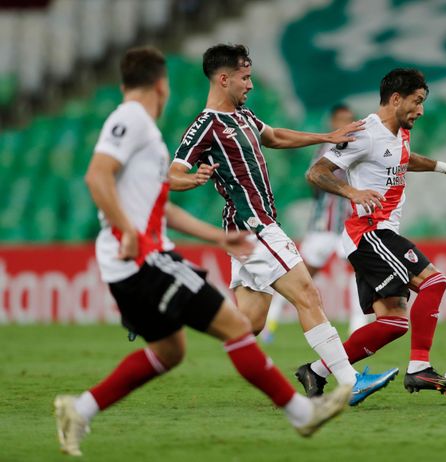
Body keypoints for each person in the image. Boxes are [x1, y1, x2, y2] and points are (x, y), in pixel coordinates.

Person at [53, 46, 351, 457]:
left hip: (174, 249)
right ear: (162, 85)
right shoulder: (142, 120)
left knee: (207, 339)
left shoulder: (230, 119)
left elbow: (161, 201)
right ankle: (338, 390)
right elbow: (105, 176)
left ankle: (81, 408)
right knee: (293, 300)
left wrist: (216, 237)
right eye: (245, 77)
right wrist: (129, 229)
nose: (250, 84)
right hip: (186, 245)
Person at [168, 44, 398, 406]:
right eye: (245, 77)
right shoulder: (205, 125)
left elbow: (273, 136)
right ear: (224, 79)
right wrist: (193, 179)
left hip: (246, 230)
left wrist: (325, 137)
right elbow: (172, 173)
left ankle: (166, 310)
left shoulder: (243, 116)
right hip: (254, 226)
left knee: (249, 324)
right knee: (307, 294)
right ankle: (350, 381)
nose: (250, 85)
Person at [296, 68, 446, 398]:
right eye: (417, 101)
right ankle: (419, 368)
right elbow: (316, 172)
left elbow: (404, 159)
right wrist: (351, 192)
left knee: (393, 323)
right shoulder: (366, 133)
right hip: (369, 233)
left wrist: (444, 167)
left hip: (376, 236)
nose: (421, 110)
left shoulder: (399, 131)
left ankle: (316, 371)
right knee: (434, 282)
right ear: (396, 99)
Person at [260, 104, 369, 344]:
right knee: (303, 274)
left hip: (350, 224)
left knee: (359, 270)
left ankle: (358, 328)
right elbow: (312, 178)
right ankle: (270, 320)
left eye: (349, 119)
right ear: (332, 122)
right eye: (340, 119)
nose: (345, 124)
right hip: (323, 225)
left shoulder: (360, 147)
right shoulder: (326, 148)